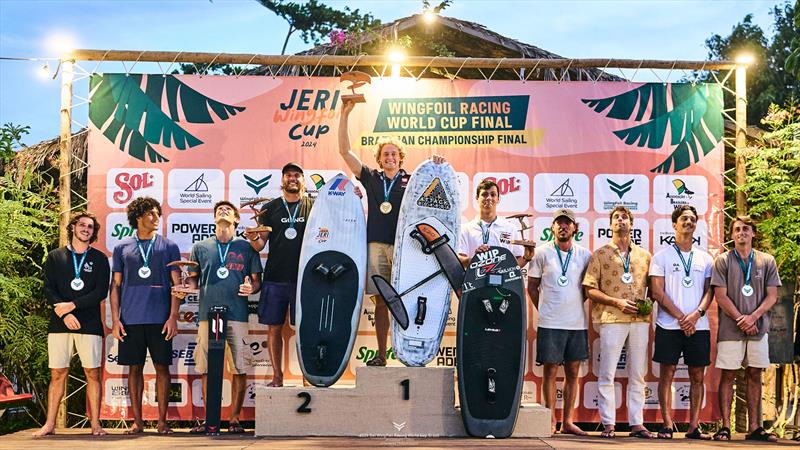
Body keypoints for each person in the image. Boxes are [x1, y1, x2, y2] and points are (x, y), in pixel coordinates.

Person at [338, 100, 446, 366]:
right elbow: (344, 151)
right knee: (381, 302)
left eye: (393, 154)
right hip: (376, 246)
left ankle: (410, 352)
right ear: (379, 158)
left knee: (409, 297)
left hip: (405, 248)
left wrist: (439, 166)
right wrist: (345, 114)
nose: (389, 158)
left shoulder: (413, 181)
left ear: (400, 158)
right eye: (385, 154)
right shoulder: (372, 178)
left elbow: (439, 197)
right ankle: (382, 354)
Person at [183, 200, 262, 434]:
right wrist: (186, 286)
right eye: (219, 210)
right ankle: (211, 419)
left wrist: (253, 288)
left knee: (239, 367)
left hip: (237, 314)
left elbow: (257, 281)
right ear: (214, 218)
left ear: (237, 219)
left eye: (228, 210)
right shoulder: (200, 246)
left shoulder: (247, 247)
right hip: (207, 315)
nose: (223, 211)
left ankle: (235, 419)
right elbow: (193, 280)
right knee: (206, 367)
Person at [34, 212, 109, 437]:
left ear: (94, 232)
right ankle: (49, 424)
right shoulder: (56, 257)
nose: (86, 229)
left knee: (92, 373)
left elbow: (100, 292)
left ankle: (96, 424)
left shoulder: (100, 259)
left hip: (90, 323)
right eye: (82, 225)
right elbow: (48, 289)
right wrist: (63, 312)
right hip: (59, 323)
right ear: (73, 227)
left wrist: (72, 305)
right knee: (57, 373)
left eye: (90, 227)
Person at [109, 196, 181, 434]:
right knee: (134, 369)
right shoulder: (121, 248)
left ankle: (162, 422)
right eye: (150, 213)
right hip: (130, 318)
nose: (156, 217)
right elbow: (115, 286)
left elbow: (177, 285)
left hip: (160, 319)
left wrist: (173, 316)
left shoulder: (169, 246)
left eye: (157, 214)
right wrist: (116, 319)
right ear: (138, 217)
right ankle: (137, 421)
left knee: (162, 368)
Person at [582, 205, 653, 439]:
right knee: (607, 374)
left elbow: (654, 290)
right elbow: (590, 289)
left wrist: (648, 303)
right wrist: (616, 302)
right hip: (611, 318)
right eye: (616, 217)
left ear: (631, 224)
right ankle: (608, 423)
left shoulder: (645, 256)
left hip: (640, 320)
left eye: (625, 217)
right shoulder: (600, 254)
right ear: (610, 225)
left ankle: (637, 423)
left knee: (638, 374)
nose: (621, 220)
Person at [711, 215, 781, 443]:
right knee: (728, 375)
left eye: (746, 229)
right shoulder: (722, 260)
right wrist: (741, 318)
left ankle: (754, 427)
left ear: (753, 233)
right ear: (732, 235)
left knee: (754, 373)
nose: (742, 232)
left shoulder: (766, 260)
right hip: (731, 329)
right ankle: (724, 427)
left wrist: (753, 317)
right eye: (738, 229)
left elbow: (772, 296)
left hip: (758, 328)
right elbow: (720, 296)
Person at [649, 205, 714, 440]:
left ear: (696, 225)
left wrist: (696, 315)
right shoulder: (661, 257)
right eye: (684, 218)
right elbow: (657, 292)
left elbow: (710, 292)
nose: (688, 222)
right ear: (674, 224)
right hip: (669, 325)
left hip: (699, 326)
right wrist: (681, 317)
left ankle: (694, 426)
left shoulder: (705, 258)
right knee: (667, 373)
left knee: (698, 376)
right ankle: (666, 424)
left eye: (692, 219)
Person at [527, 208, 590, 436]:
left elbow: (588, 288)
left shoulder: (585, 254)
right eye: (559, 223)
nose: (563, 227)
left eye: (567, 223)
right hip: (550, 322)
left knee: (573, 372)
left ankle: (568, 421)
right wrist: (544, 309)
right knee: (550, 372)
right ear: (552, 228)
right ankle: (550, 420)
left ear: (575, 228)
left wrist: (573, 305)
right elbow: (532, 287)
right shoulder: (541, 253)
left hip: (576, 323)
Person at [249, 163, 313, 386]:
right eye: (288, 176)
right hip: (275, 277)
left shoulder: (314, 206)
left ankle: (308, 376)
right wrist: (251, 236)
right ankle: (277, 376)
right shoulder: (270, 208)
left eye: (297, 175)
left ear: (303, 181)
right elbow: (259, 246)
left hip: (305, 279)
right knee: (274, 327)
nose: (292, 179)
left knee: (305, 328)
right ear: (282, 180)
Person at [457, 178, 534, 267]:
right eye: (484, 194)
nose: (489, 198)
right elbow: (459, 259)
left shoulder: (510, 228)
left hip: (503, 280)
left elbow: (515, 264)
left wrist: (526, 258)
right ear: (477, 198)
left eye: (493, 195)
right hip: (474, 280)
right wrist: (476, 260)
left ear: (498, 199)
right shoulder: (465, 229)